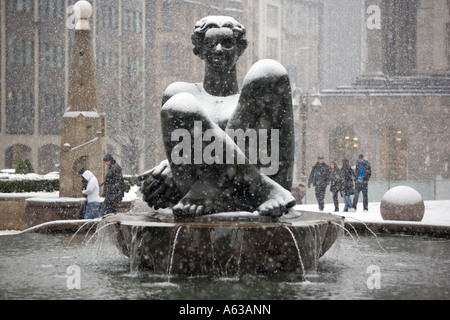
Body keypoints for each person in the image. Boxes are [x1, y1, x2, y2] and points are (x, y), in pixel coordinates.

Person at [139, 16, 296, 218]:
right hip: (207, 191)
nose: (219, 49)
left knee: (269, 71)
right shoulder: (181, 93)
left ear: (240, 49)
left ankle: (247, 188)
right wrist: (171, 163)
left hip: (245, 189)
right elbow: (183, 146)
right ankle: (263, 189)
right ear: (199, 50)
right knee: (179, 104)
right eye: (211, 44)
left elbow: (275, 149)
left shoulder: (255, 97)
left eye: (227, 43)